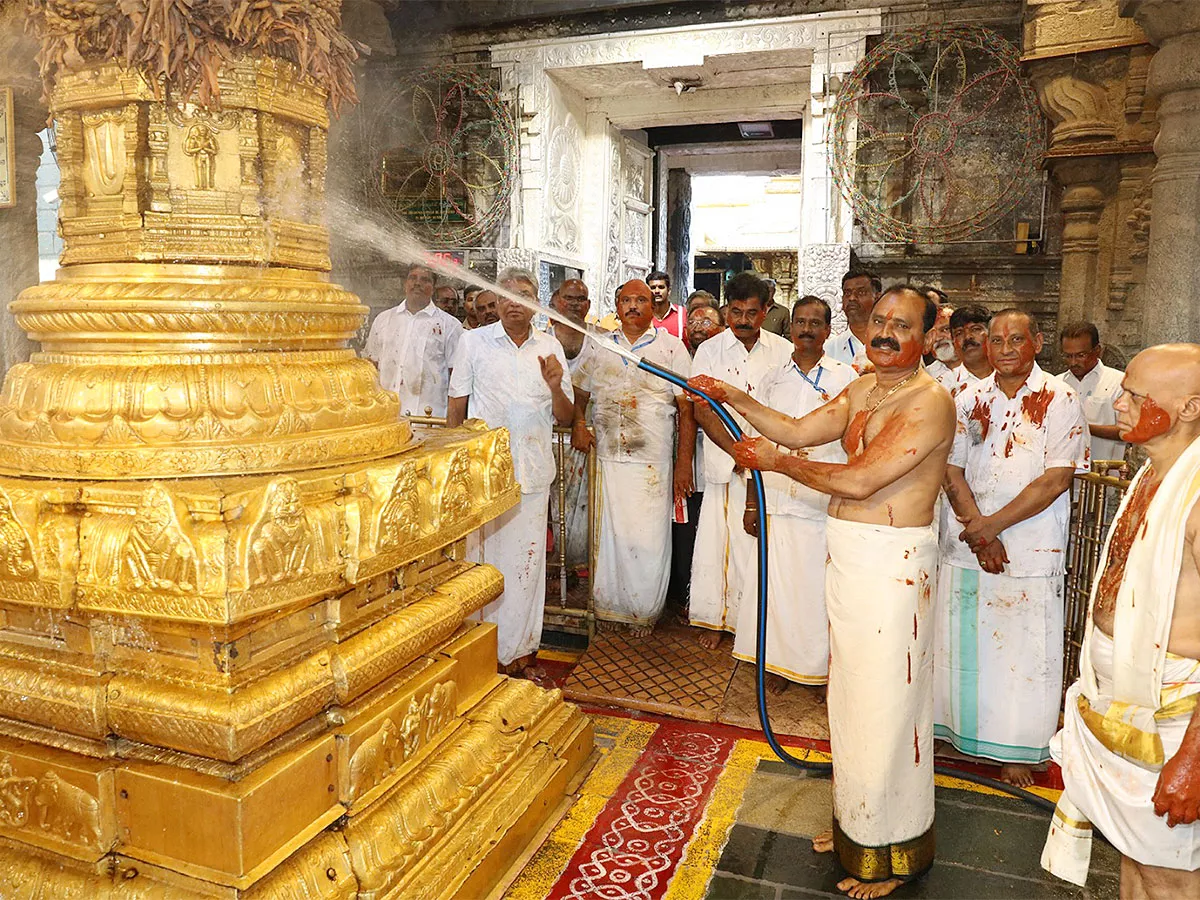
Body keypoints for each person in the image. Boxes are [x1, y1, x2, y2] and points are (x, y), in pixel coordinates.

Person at [692, 284, 954, 897]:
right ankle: (854, 828)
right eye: (880, 321)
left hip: (893, 565)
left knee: (888, 704)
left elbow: (862, 479)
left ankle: (891, 852)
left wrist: (775, 463)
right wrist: (729, 394)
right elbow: (797, 427)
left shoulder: (930, 400)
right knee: (851, 698)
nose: (886, 332)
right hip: (851, 557)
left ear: (928, 333)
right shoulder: (865, 386)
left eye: (902, 324)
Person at [1041, 344, 1200, 898]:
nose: (1121, 404)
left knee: (1170, 875)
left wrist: (1195, 759)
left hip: (1178, 723)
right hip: (1128, 705)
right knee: (1139, 864)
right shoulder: (1151, 474)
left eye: (1136, 395)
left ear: (1189, 408)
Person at [937, 310, 1090, 787]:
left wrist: (992, 528)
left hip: (1028, 546)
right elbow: (951, 468)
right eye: (996, 339)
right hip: (968, 542)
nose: (1003, 348)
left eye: (1015, 339)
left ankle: (1019, 749)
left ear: (1036, 343)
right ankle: (956, 733)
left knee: (1023, 653)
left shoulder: (1059, 397)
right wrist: (977, 529)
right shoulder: (967, 399)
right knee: (960, 644)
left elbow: (1056, 478)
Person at [446, 268, 574, 678]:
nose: (514, 302)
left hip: (534, 474)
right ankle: (480, 653)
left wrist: (555, 385)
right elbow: (455, 409)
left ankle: (520, 654)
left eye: (523, 294)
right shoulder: (473, 342)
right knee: (480, 564)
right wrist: (456, 468)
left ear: (535, 303)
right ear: (495, 303)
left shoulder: (550, 346)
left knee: (527, 566)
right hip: (486, 476)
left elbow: (567, 417)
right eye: (506, 295)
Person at [730, 296, 856, 695]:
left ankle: (819, 671)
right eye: (799, 322)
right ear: (790, 329)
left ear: (827, 330)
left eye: (814, 323)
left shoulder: (846, 379)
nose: (805, 330)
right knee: (775, 587)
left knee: (819, 591)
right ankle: (775, 665)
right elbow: (756, 440)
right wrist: (753, 501)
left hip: (821, 501)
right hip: (777, 498)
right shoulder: (772, 378)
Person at [572, 280, 695, 633]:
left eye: (641, 299)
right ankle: (610, 608)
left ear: (652, 305)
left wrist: (683, 464)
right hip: (608, 457)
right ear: (616, 305)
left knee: (649, 538)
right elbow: (579, 393)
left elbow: (686, 410)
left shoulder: (671, 348)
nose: (633, 306)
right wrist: (580, 424)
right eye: (627, 300)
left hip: (652, 461)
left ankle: (643, 612)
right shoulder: (599, 346)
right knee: (608, 536)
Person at [688, 272, 791, 650]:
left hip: (767, 464)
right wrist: (736, 451)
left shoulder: (782, 351)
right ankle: (716, 621)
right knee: (719, 543)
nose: (743, 321)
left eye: (752, 312)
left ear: (766, 312)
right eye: (736, 312)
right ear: (726, 311)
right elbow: (701, 411)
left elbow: (782, 412)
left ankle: (753, 627)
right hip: (724, 459)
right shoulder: (709, 351)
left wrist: (758, 453)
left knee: (758, 546)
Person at [666, 303, 726, 613]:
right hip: (684, 462)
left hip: (716, 462)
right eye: (694, 322)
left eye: (708, 321)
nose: (699, 327)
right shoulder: (678, 355)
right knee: (683, 530)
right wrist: (682, 462)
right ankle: (683, 593)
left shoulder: (724, 358)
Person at [364, 263, 464, 418]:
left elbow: (457, 378)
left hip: (431, 419)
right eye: (413, 278)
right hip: (387, 417)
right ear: (405, 284)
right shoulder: (383, 319)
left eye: (425, 280)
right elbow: (371, 366)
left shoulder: (450, 325)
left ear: (433, 287)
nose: (418, 283)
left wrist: (453, 421)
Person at [1059, 322, 1127, 467]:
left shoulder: (1119, 382)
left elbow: (1128, 432)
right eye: (1067, 356)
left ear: (1097, 351)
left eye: (1080, 355)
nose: (1073, 362)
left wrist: (1084, 427)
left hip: (1103, 479)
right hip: (1063, 480)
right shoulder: (1056, 383)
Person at [824, 269, 881, 374]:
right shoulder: (829, 350)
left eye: (861, 292)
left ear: (877, 298)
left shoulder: (891, 344)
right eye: (847, 293)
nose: (852, 298)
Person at [941, 305, 993, 398]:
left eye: (975, 329)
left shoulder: (1011, 376)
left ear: (992, 336)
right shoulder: (943, 386)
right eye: (959, 333)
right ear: (954, 344)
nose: (968, 337)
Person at [647, 270, 687, 341]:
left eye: (661, 287)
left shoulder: (683, 314)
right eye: (653, 288)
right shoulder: (642, 315)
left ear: (669, 291)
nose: (657, 291)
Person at [924, 305, 959, 383]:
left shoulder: (987, 369)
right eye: (931, 334)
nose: (938, 338)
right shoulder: (925, 377)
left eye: (945, 329)